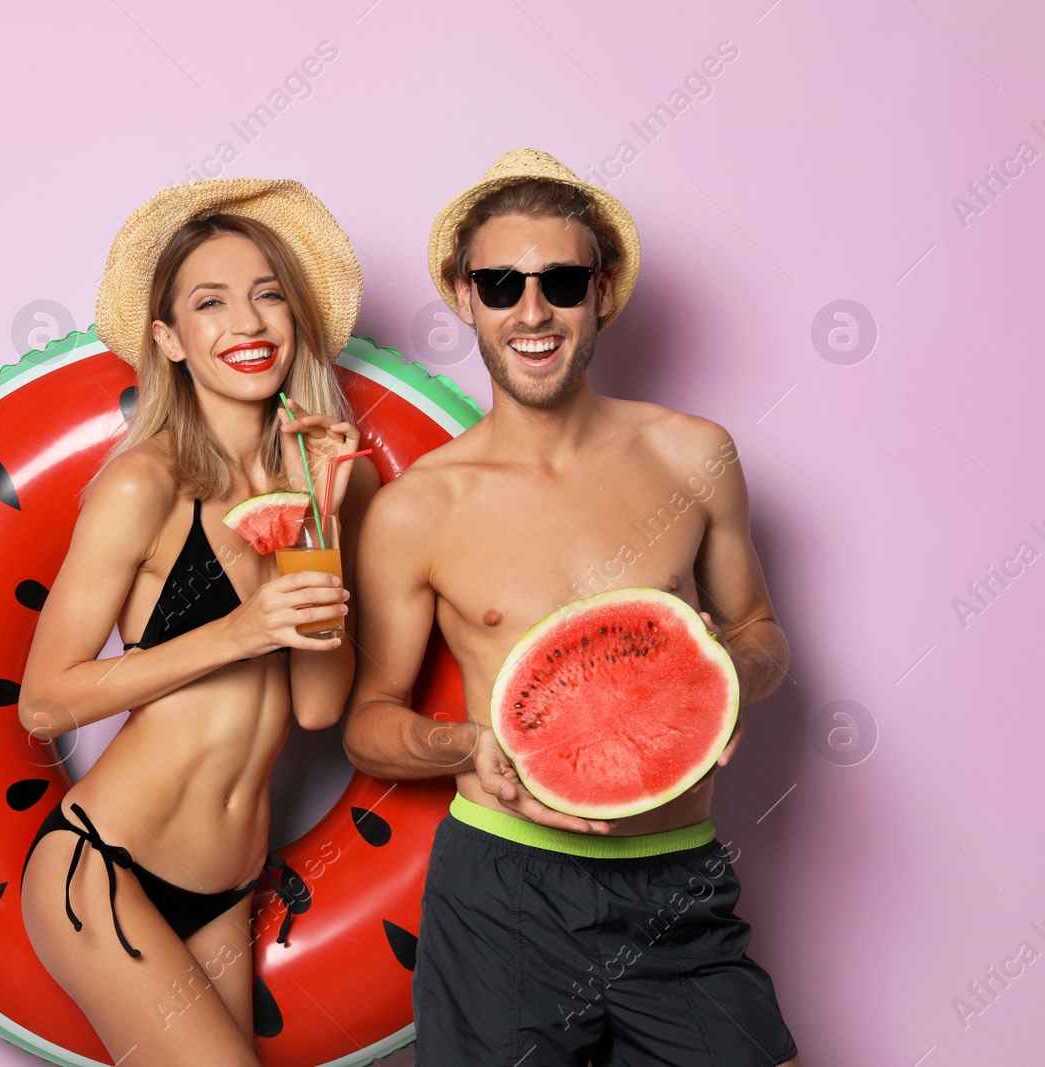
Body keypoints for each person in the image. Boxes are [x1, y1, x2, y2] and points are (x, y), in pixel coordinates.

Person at [342, 149, 801, 1066]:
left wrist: (730, 678)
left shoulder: (695, 456)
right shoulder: (419, 508)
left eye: (560, 281)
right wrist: (465, 744)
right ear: (463, 295)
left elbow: (760, 633)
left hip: (677, 881)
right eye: (503, 282)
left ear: (604, 292)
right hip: (502, 891)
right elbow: (367, 722)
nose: (532, 309)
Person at [17, 178, 381, 1067]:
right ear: (171, 341)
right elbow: (44, 703)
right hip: (106, 865)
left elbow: (318, 710)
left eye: (267, 295)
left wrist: (319, 536)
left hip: (224, 889)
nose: (247, 323)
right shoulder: (145, 485)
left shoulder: (334, 479)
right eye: (209, 303)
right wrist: (242, 630)